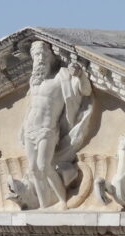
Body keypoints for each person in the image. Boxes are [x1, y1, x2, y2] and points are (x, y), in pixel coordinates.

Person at [20, 40, 93, 209]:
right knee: (33, 170)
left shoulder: (62, 76)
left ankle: (62, 201)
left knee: (44, 166)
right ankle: (44, 205)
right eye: (37, 55)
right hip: (30, 130)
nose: (40, 59)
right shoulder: (34, 81)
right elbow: (30, 106)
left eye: (44, 55)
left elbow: (85, 91)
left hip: (47, 129)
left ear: (51, 57)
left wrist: (80, 75)